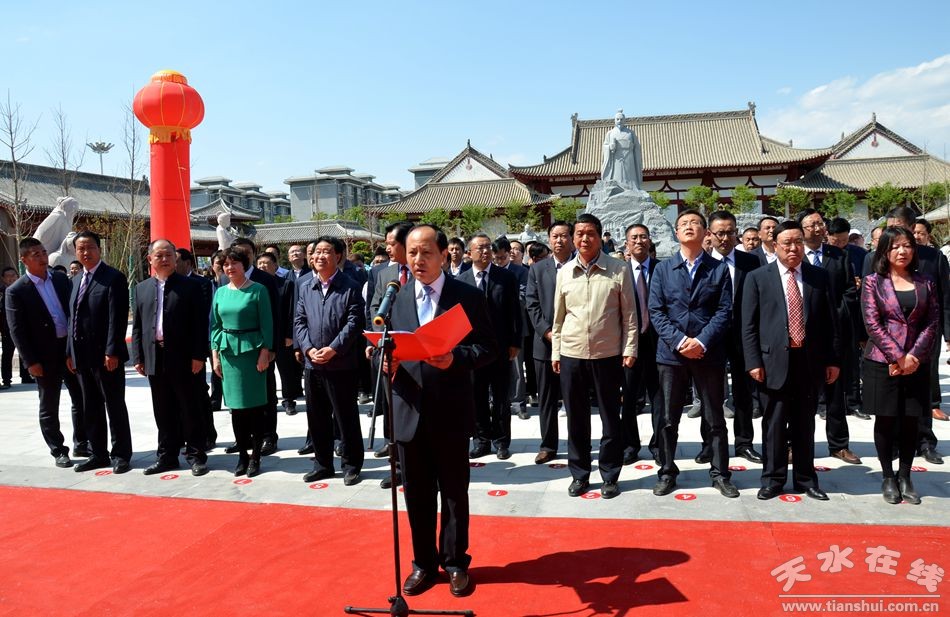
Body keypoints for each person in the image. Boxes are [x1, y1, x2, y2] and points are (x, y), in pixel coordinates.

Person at [384, 224, 494, 598]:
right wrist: (383, 362)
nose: (418, 260)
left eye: (426, 252)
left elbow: (487, 348)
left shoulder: (467, 296)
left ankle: (455, 563)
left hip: (450, 409)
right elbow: (382, 348)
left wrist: (455, 358)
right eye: (412, 252)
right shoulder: (394, 298)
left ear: (444, 255)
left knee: (453, 493)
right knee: (416, 494)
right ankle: (423, 563)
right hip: (408, 409)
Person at [742, 220, 840, 501]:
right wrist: (753, 361)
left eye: (798, 242)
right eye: (787, 243)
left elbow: (831, 323)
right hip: (772, 362)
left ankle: (806, 479)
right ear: (775, 245)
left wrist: (832, 360)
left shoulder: (818, 276)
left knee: (804, 423)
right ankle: (772, 479)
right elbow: (748, 325)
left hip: (809, 361)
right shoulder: (758, 277)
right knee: (773, 423)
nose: (794, 248)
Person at [649, 209, 736, 498]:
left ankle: (720, 473)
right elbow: (656, 311)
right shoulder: (663, 269)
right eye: (683, 223)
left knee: (714, 418)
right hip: (671, 355)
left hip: (708, 354)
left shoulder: (718, 269)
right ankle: (666, 471)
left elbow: (724, 311)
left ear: (705, 232)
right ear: (676, 233)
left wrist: (701, 341)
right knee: (667, 418)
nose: (689, 226)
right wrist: (680, 341)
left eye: (695, 223)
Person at [552, 213, 637, 499]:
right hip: (572, 353)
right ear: (573, 238)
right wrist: (556, 351)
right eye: (579, 234)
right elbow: (558, 318)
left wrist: (630, 348)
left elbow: (630, 316)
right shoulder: (564, 272)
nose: (584, 238)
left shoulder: (618, 269)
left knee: (611, 418)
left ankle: (610, 475)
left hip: (607, 354)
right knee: (576, 419)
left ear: (600, 236)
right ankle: (579, 474)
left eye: (590, 233)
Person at [862, 206, 950, 462]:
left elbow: (944, 299)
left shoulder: (933, 257)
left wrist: (947, 334)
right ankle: (892, 450)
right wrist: (891, 351)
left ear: (912, 228)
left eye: (899, 227)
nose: (900, 248)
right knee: (888, 406)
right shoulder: (873, 259)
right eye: (889, 228)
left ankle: (925, 442)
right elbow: (869, 309)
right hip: (886, 345)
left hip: (923, 341)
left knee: (920, 399)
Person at [861, 227, 938, 504]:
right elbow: (872, 323)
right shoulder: (873, 282)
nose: (902, 251)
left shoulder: (925, 282)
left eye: (907, 246)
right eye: (895, 246)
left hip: (917, 361)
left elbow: (931, 322)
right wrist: (898, 356)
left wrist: (913, 356)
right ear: (884, 251)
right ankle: (887, 476)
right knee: (885, 419)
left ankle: (905, 475)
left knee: (911, 419)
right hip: (883, 361)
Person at [132, 240, 210, 477]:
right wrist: (138, 356)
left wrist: (199, 355)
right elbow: (138, 326)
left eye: (169, 255)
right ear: (150, 260)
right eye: (159, 255)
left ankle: (196, 455)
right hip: (155, 356)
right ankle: (167, 456)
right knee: (163, 410)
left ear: (175, 259)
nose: (164, 259)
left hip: (184, 357)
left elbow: (200, 325)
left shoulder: (191, 286)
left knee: (190, 407)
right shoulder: (141, 288)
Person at [294, 236, 366, 485]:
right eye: (316, 252)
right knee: (316, 418)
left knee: (346, 417)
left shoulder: (350, 286)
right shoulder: (306, 287)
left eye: (326, 252)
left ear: (338, 256)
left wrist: (334, 349)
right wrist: (308, 348)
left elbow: (355, 322)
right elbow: (299, 321)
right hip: (313, 364)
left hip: (341, 364)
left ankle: (351, 464)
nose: (319, 256)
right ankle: (322, 464)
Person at [4, 238, 80, 467]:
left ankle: (82, 441)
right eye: (35, 254)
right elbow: (17, 330)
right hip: (43, 356)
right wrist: (30, 361)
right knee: (49, 404)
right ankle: (58, 450)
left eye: (43, 252)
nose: (42, 257)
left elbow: (73, 311)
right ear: (24, 260)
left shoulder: (60, 279)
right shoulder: (17, 291)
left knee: (81, 398)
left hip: (68, 349)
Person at [798, 209, 864, 464]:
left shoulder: (838, 255)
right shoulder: (794, 256)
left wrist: (835, 314)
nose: (818, 228)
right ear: (801, 229)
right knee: (801, 394)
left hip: (833, 334)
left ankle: (839, 444)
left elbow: (849, 291)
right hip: (801, 333)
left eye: (820, 224)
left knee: (836, 392)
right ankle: (797, 444)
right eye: (811, 225)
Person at [68, 231, 133, 474]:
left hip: (106, 357)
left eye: (90, 247)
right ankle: (98, 453)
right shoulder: (75, 280)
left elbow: (117, 318)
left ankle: (121, 454)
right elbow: (71, 318)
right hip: (82, 356)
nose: (85, 252)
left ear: (99, 249)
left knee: (114, 405)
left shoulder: (113, 277)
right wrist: (69, 352)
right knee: (90, 406)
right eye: (81, 248)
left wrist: (112, 351)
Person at [703, 211, 764, 464]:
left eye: (730, 232)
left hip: (743, 336)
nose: (725, 238)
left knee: (743, 392)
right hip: (712, 337)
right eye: (720, 233)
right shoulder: (701, 263)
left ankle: (744, 442)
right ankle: (709, 444)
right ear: (709, 234)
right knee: (710, 393)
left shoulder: (751, 262)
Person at [211, 248, 274, 477]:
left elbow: (267, 324)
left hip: (252, 353)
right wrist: (215, 356)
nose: (230, 268)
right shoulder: (220, 292)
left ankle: (256, 456)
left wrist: (265, 352)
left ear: (244, 265)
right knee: (236, 409)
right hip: (228, 354)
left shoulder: (258, 290)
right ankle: (242, 456)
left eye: (234, 263)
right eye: (225, 264)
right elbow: (215, 326)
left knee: (255, 408)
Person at [525, 221, 574, 464]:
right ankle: (548, 445)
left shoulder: (580, 265)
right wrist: (547, 332)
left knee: (574, 398)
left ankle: (578, 444)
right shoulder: (537, 269)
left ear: (572, 239)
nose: (559, 240)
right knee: (546, 398)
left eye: (564, 236)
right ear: (549, 239)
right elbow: (531, 304)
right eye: (555, 236)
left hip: (574, 343)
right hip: (544, 345)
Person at [229, 238, 281, 455]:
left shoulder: (265, 279)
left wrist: (272, 347)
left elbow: (275, 314)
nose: (242, 257)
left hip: (260, 347)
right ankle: (244, 438)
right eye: (237, 253)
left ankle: (268, 436)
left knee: (265, 393)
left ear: (252, 254)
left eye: (246, 253)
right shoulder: (226, 279)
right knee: (240, 394)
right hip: (235, 350)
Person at [620, 223, 660, 465]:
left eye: (643, 237)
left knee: (659, 397)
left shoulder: (662, 269)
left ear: (649, 241)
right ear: (627, 244)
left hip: (658, 343)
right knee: (629, 397)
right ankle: (629, 445)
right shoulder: (619, 272)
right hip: (628, 344)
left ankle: (659, 444)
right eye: (634, 237)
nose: (639, 241)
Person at [175, 247, 217, 449]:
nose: (172, 264)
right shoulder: (166, 284)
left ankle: (207, 434)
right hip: (175, 350)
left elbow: (203, 317)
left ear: (188, 263)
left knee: (199, 392)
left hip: (197, 346)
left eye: (176, 260)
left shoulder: (202, 284)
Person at [256, 251, 302, 415]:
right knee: (266, 370)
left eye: (266, 263)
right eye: (260, 263)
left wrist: (290, 334)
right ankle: (269, 400)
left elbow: (292, 311)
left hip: (282, 335)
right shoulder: (254, 286)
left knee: (286, 370)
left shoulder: (286, 284)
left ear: (275, 266)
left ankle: (289, 400)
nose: (263, 266)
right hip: (263, 337)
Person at [492, 235, 531, 420]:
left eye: (502, 257)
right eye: (496, 258)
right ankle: (496, 401)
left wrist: (501, 303)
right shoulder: (490, 271)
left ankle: (518, 403)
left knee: (516, 367)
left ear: (509, 253)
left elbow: (523, 297)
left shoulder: (520, 272)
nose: (499, 261)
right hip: (493, 327)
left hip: (514, 325)